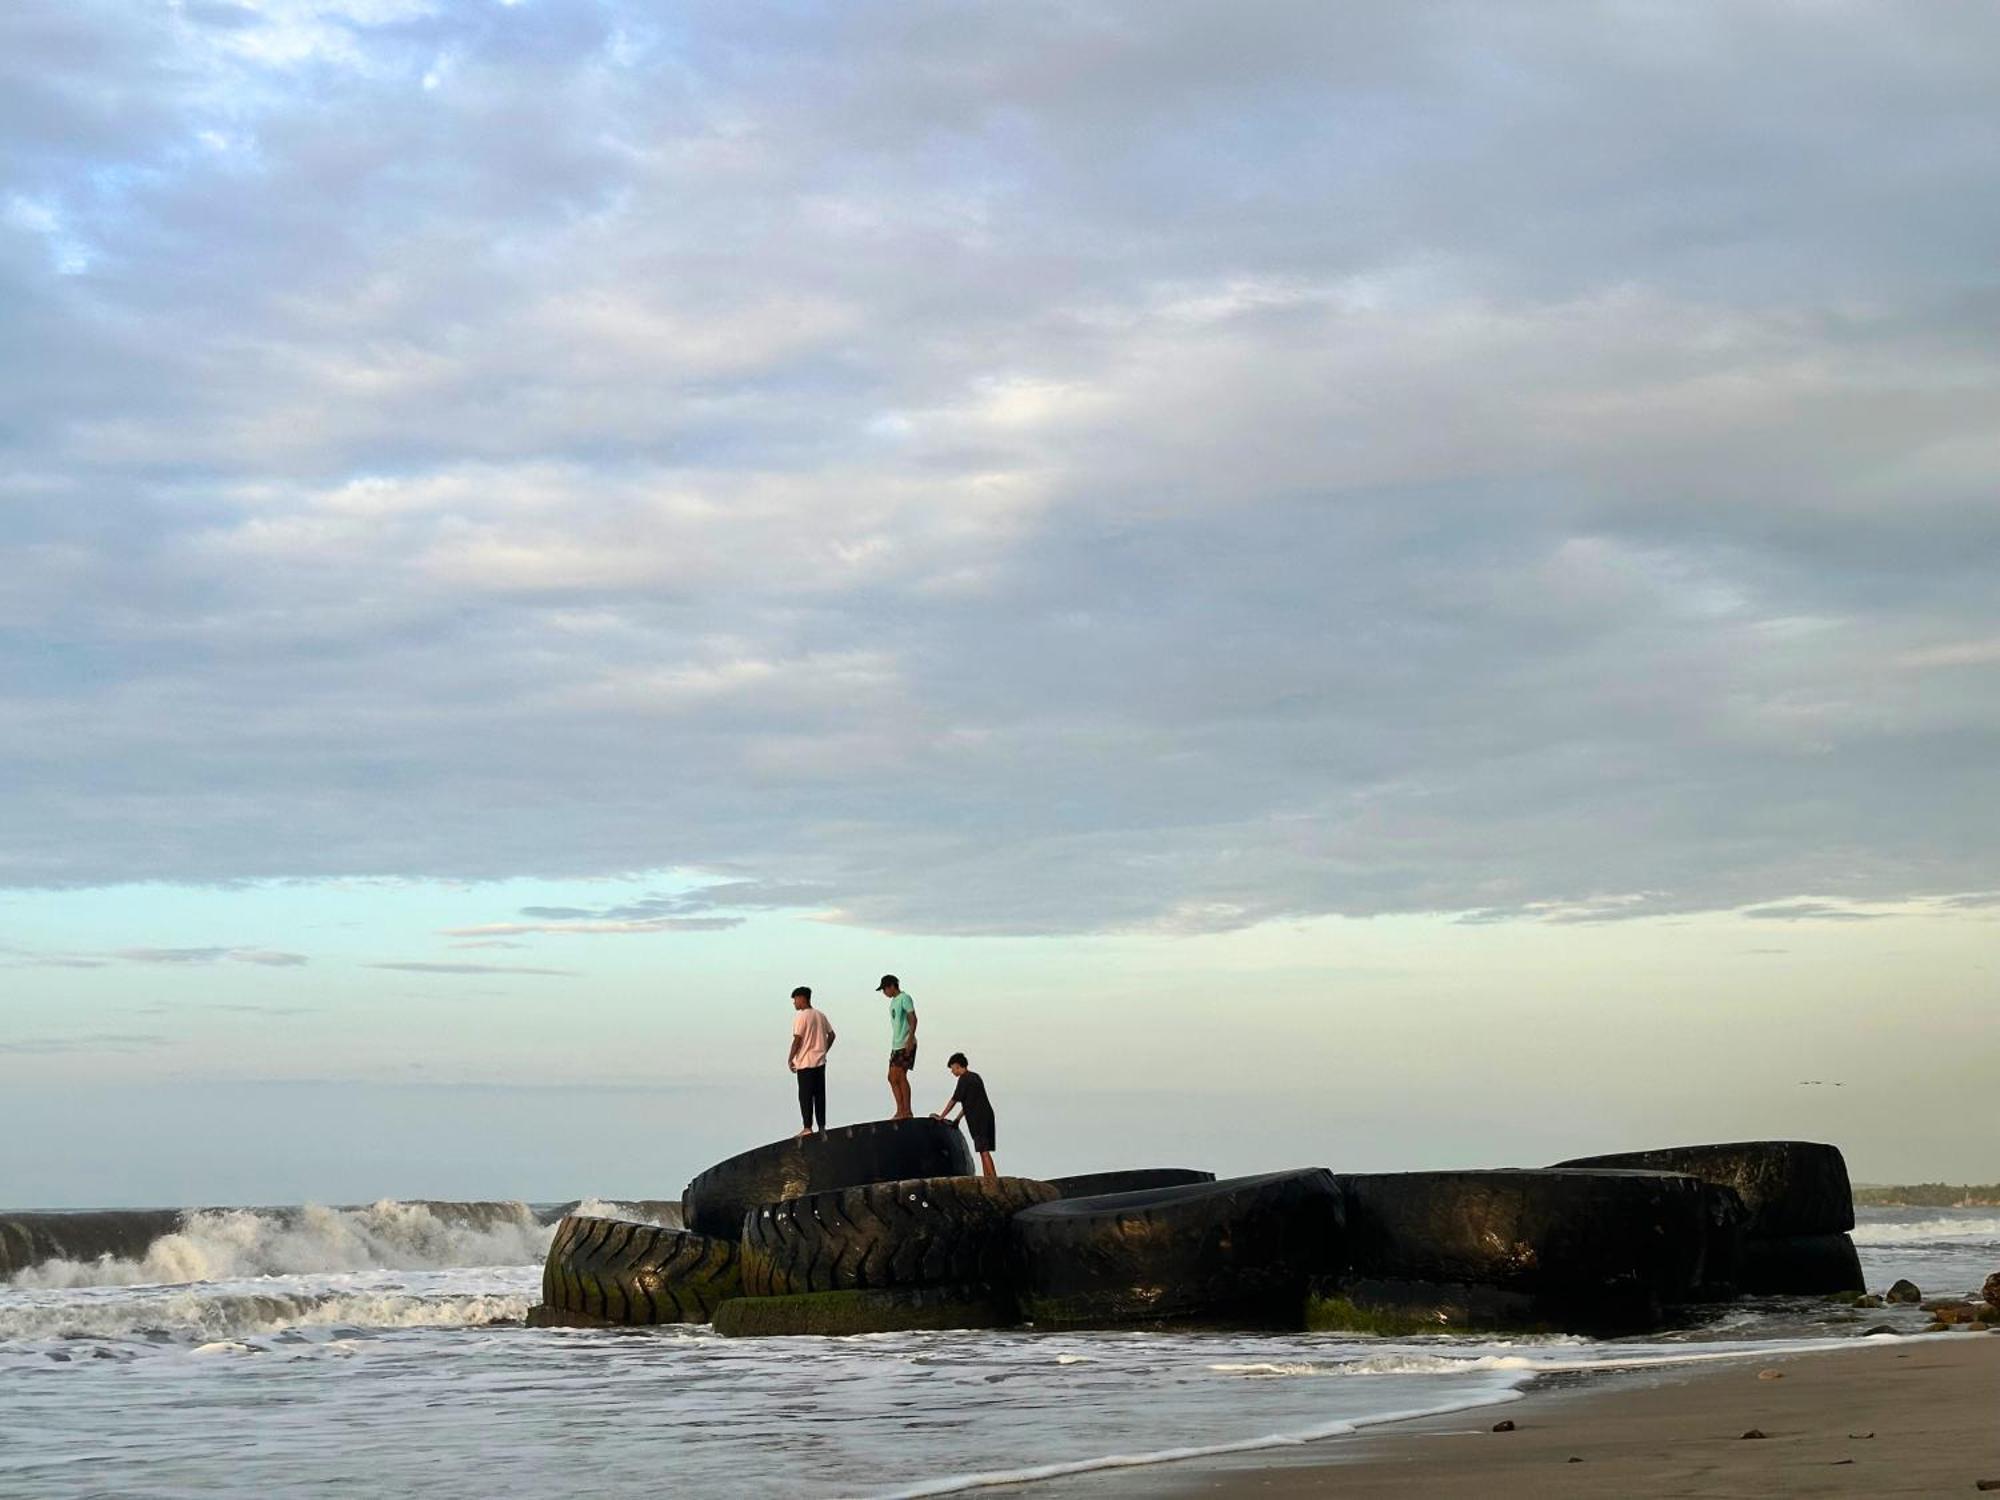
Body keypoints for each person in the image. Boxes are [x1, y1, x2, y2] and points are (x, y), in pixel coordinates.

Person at [931, 1052, 997, 1179]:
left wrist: (941, 1116)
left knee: (983, 1150)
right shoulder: (975, 1077)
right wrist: (958, 1119)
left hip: (978, 1118)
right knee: (983, 1149)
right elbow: (968, 1103)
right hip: (986, 1115)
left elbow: (954, 1100)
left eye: (952, 1068)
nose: (952, 1071)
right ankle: (988, 1177)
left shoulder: (964, 1079)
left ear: (957, 1066)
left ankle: (993, 1179)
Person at [787, 985, 835, 1138]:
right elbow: (832, 1035)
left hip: (806, 1062)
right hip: (820, 1061)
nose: (794, 1003)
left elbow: (797, 1039)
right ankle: (821, 1126)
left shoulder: (802, 1016)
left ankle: (807, 1126)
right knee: (819, 1095)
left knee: (805, 1095)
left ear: (802, 998)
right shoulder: (821, 1015)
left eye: (795, 1000)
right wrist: (823, 1049)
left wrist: (790, 1058)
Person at [879, 974, 916, 1120]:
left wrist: (910, 1039)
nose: (884, 993)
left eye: (885, 989)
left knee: (900, 1075)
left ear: (892, 986)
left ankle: (907, 1110)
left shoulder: (904, 998)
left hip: (906, 1042)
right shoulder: (893, 1002)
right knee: (891, 1077)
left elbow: (913, 1018)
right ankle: (900, 1109)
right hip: (896, 1044)